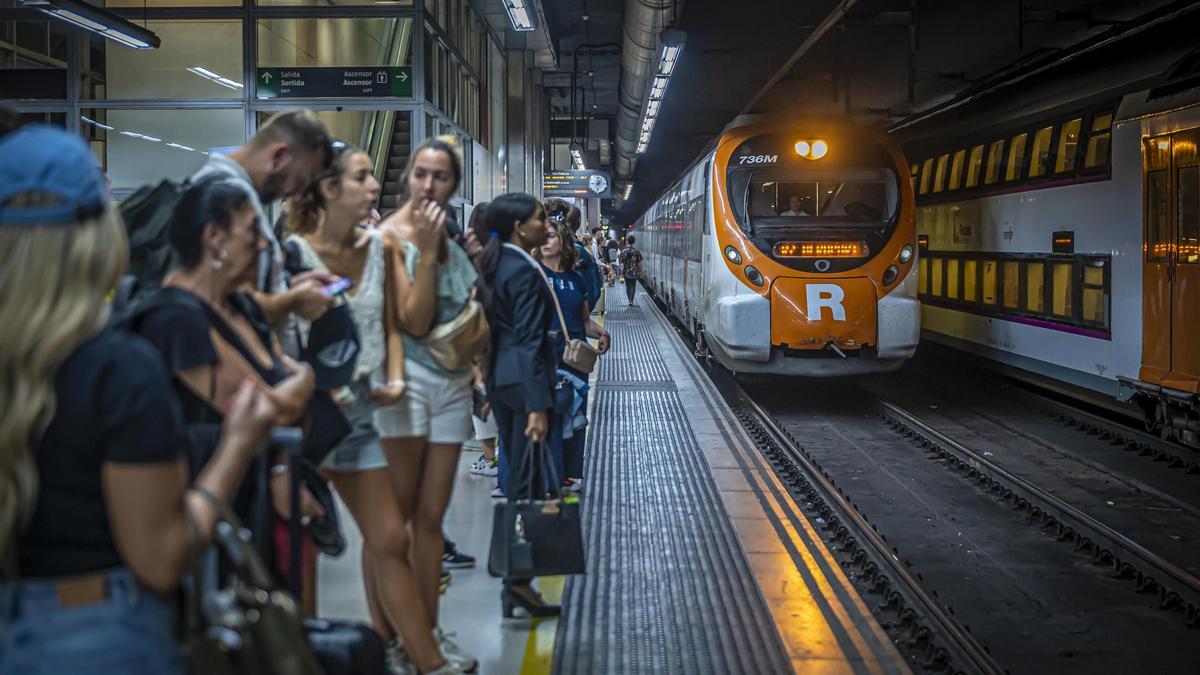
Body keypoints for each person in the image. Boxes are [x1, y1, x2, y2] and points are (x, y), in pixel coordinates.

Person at [0, 126, 279, 674]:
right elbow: (162, 557)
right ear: (98, 237)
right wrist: (234, 451)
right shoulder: (118, 371)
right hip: (101, 636)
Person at [132, 178, 327, 607]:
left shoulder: (239, 305)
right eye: (251, 232)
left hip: (264, 496)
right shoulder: (174, 319)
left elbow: (279, 388)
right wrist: (306, 379)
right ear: (214, 238)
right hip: (219, 511)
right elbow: (273, 406)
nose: (262, 244)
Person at [375, 137, 480, 674]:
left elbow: (466, 312)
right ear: (407, 178)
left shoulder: (449, 241)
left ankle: (428, 635)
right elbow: (413, 321)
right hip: (406, 382)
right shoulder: (391, 237)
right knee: (395, 526)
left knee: (432, 521)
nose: (429, 185)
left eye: (440, 176)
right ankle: (393, 640)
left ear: (452, 185)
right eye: (421, 174)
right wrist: (431, 249)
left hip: (451, 384)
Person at [478, 193, 558, 617]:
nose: (547, 224)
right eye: (539, 218)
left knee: (519, 483)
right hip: (523, 384)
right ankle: (516, 583)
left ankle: (516, 583)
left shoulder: (497, 264)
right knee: (524, 485)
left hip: (502, 380)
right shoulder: (523, 270)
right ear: (518, 228)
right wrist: (537, 406)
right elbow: (528, 341)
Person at [192, 109, 337, 328]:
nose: (297, 194)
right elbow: (227, 306)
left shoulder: (236, 193)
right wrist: (293, 301)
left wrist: (288, 285)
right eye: (300, 180)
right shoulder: (228, 195)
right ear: (278, 157)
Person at [535, 215, 610, 488]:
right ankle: (548, 473)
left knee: (575, 416)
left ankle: (567, 472)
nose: (545, 241)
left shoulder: (576, 279)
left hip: (573, 359)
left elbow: (584, 322)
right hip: (543, 356)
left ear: (564, 241)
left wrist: (601, 333)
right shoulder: (533, 274)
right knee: (550, 416)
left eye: (551, 236)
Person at [618, 235, 645, 305]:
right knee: (633, 285)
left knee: (627, 286)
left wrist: (621, 273)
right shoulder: (637, 252)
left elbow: (621, 263)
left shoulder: (623, 251)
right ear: (634, 242)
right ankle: (631, 300)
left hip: (626, 272)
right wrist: (641, 271)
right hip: (634, 272)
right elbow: (639, 263)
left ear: (627, 241)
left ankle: (629, 299)